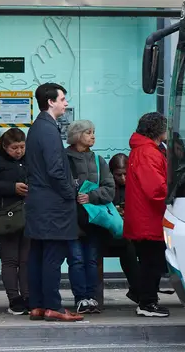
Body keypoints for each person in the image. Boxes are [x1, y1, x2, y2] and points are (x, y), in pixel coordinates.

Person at [24, 82, 83, 322]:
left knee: (38, 255)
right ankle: (54, 306)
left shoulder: (38, 127)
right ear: (50, 101)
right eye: (62, 98)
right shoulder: (48, 129)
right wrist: (70, 193)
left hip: (39, 202)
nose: (65, 103)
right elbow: (56, 169)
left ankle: (37, 305)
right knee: (52, 257)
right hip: (53, 204)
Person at [65, 120, 115, 314]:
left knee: (92, 259)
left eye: (93, 132)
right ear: (77, 136)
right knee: (76, 259)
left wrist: (91, 196)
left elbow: (109, 188)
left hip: (94, 218)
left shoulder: (98, 160)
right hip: (71, 217)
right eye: (88, 132)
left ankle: (92, 298)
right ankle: (81, 298)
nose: (93, 136)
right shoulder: (64, 158)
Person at [0, 128, 30, 315]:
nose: (18, 151)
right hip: (5, 214)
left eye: (22, 147)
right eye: (14, 148)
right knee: (10, 259)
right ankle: (14, 298)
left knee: (26, 259)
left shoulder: (29, 160)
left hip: (27, 213)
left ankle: (27, 296)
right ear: (4, 146)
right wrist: (12, 188)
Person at [124, 112, 170, 317]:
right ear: (158, 130)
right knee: (152, 261)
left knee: (149, 260)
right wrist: (173, 196)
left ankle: (142, 295)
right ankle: (147, 302)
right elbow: (156, 189)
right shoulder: (149, 152)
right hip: (149, 217)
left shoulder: (142, 150)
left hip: (142, 215)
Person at [106, 153, 140, 303]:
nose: (123, 179)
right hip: (111, 234)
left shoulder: (136, 185)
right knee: (128, 247)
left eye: (125, 174)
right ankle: (138, 289)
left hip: (133, 231)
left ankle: (139, 289)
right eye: (118, 175)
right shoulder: (106, 187)